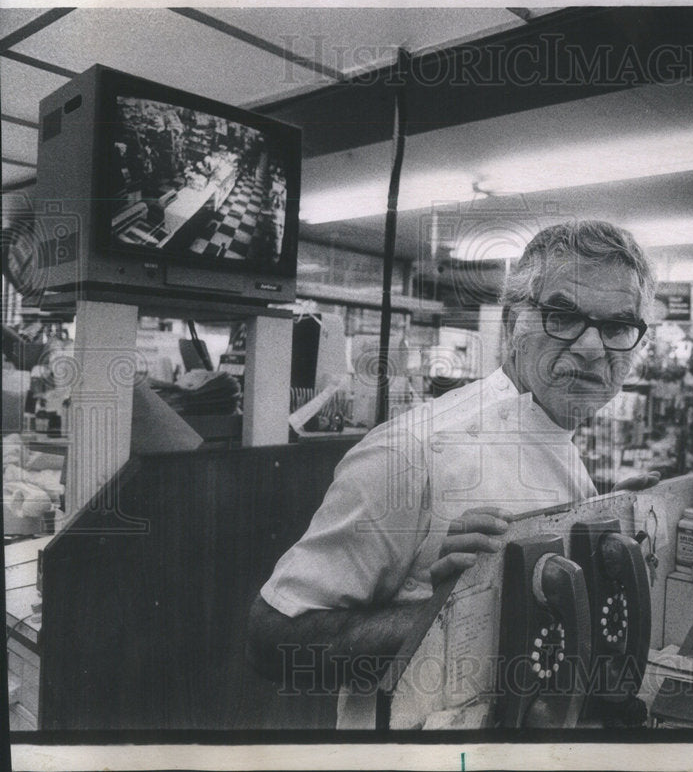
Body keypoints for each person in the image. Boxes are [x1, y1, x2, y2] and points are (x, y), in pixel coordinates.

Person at [247, 220, 660, 694]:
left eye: (617, 326)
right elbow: (269, 641)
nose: (591, 348)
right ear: (511, 325)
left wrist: (603, 525)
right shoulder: (412, 451)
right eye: (562, 316)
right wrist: (448, 613)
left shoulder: (555, 432)